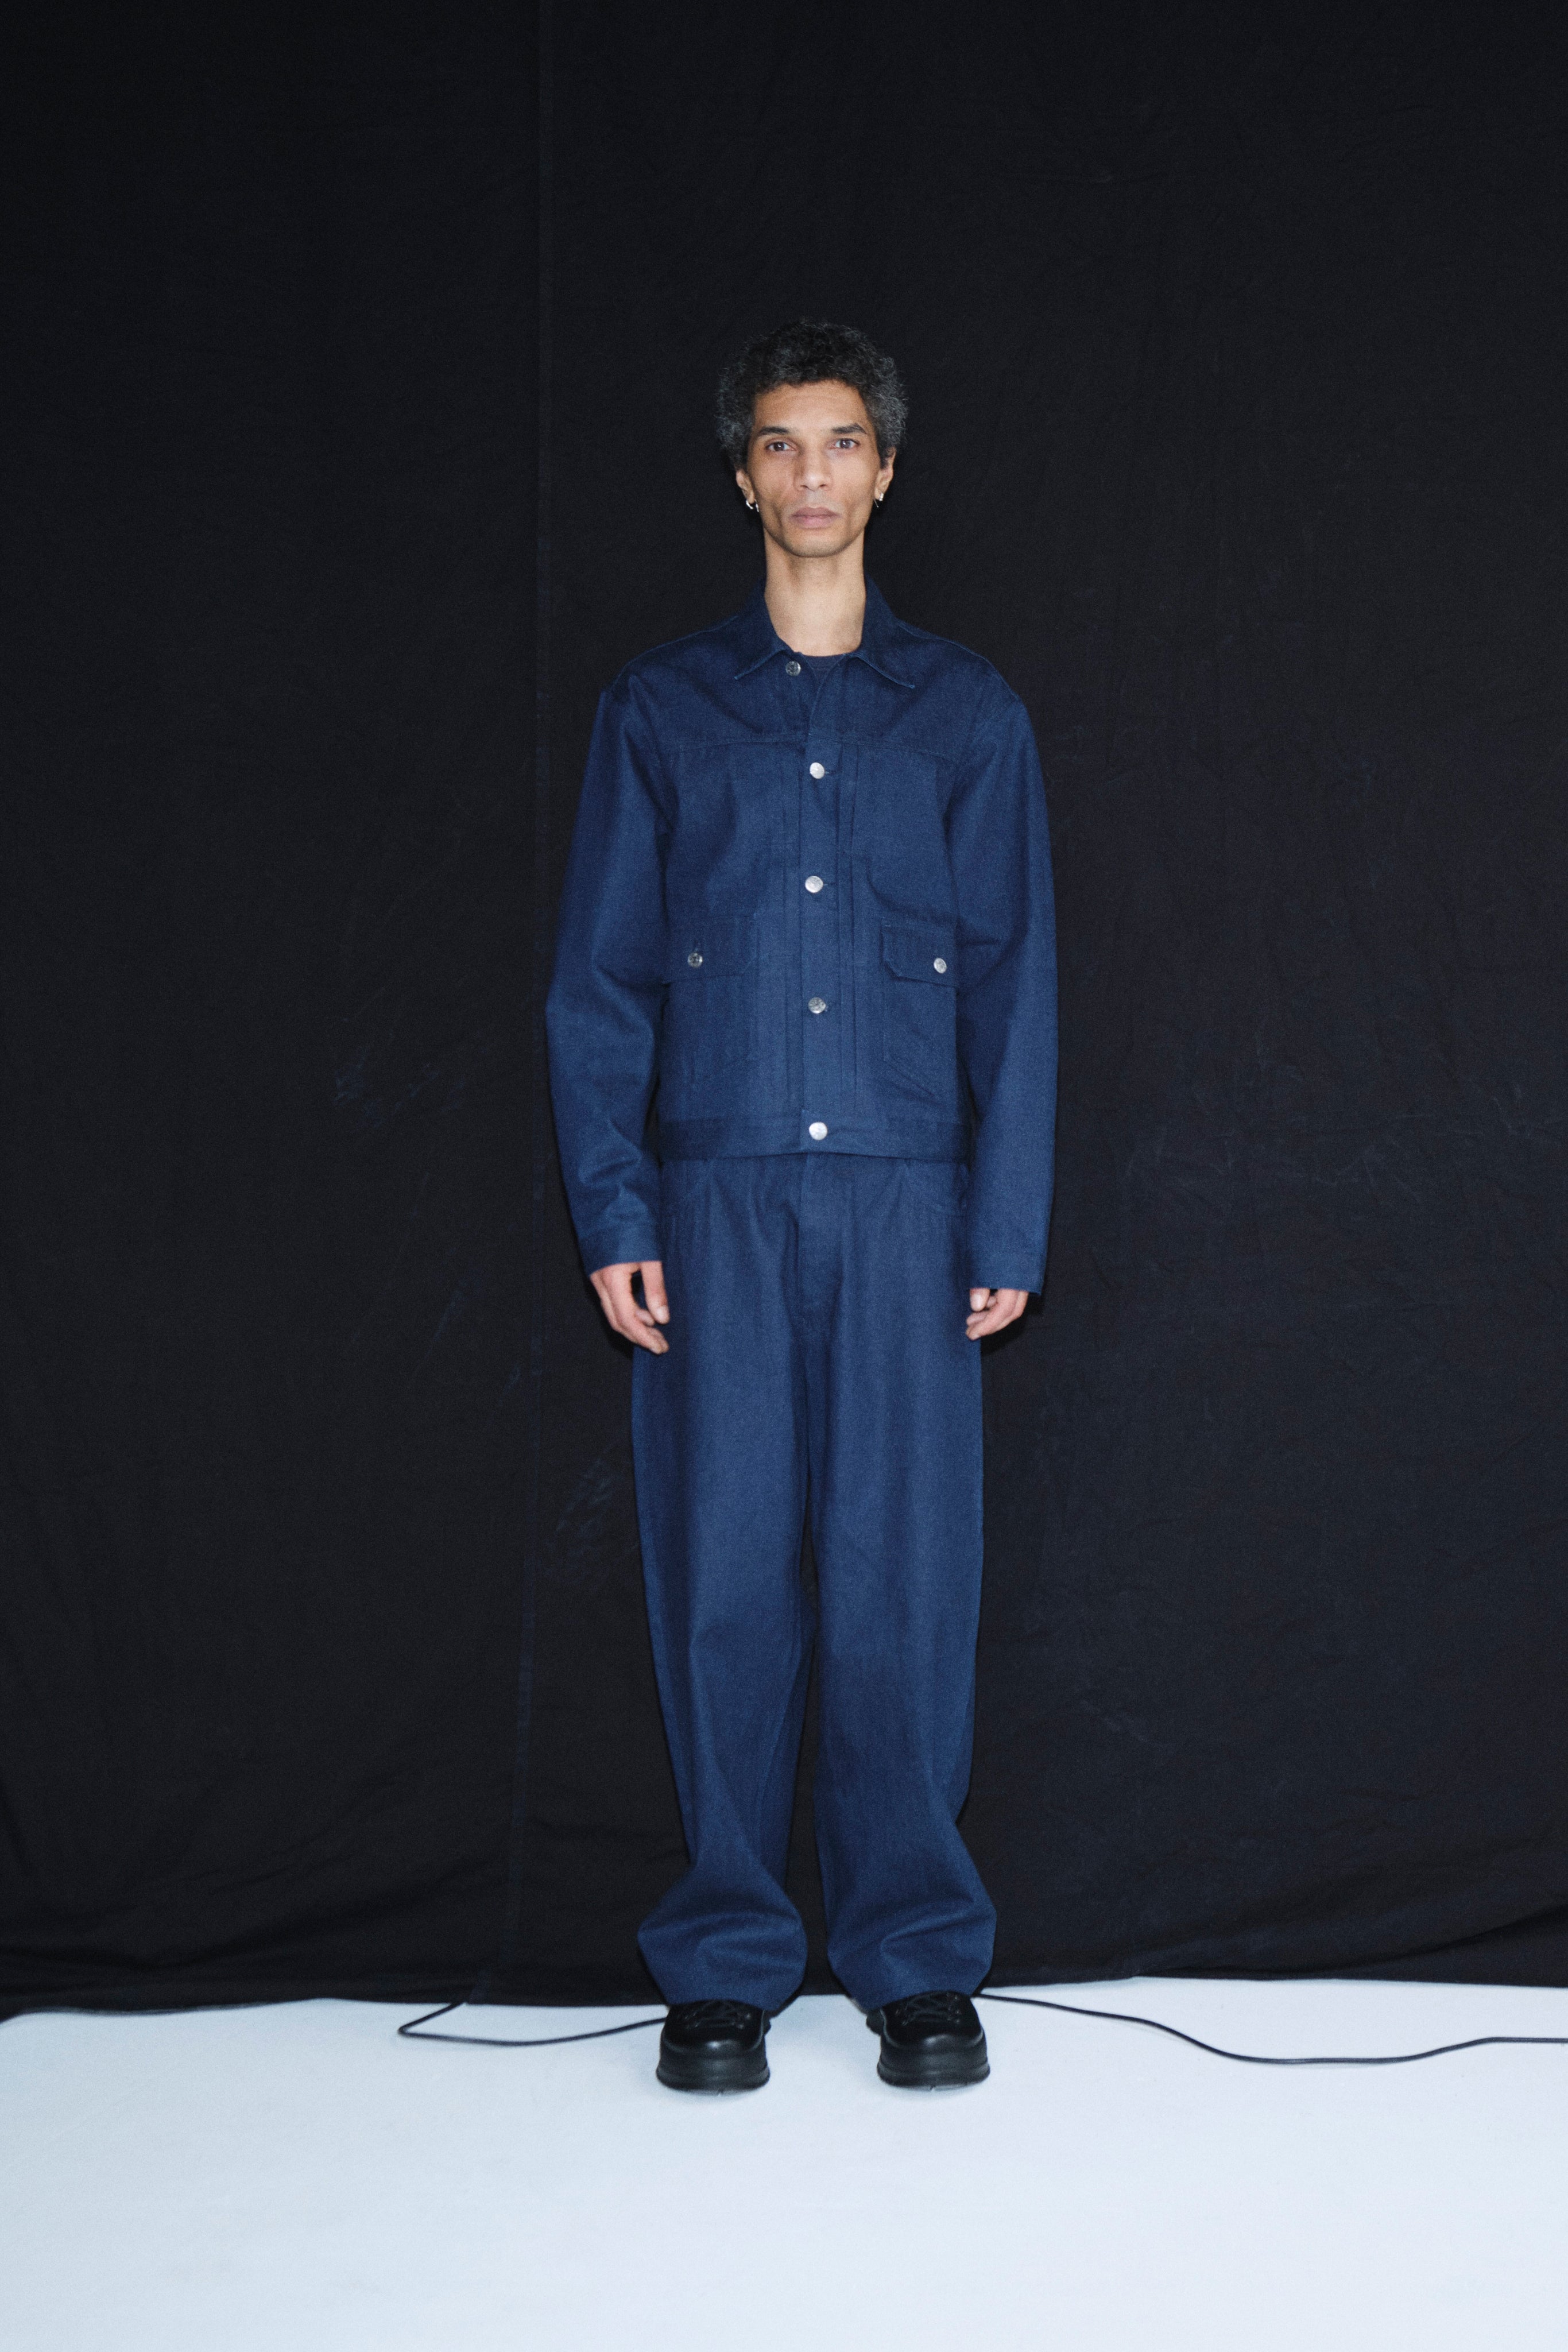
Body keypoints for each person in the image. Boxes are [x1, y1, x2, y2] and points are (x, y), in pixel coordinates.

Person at [546, 320, 1056, 2092]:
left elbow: (1016, 983)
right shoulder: (662, 709)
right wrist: (615, 1204)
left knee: (902, 1588)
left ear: (884, 470)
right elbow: (600, 978)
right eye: (780, 443)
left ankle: (915, 1959)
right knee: (725, 1586)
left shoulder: (965, 714)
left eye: (842, 441)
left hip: (910, 1207)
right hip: (719, 1202)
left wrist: (1004, 1223)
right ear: (743, 475)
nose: (813, 472)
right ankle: (725, 1959)